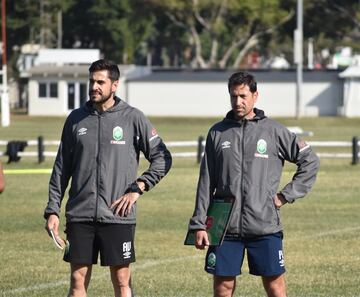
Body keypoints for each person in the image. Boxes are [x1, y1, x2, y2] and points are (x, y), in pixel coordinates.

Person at [44, 59, 172, 297]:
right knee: (76, 281)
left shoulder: (133, 118)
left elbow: (163, 158)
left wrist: (139, 187)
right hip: (80, 214)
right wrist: (53, 210)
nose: (94, 86)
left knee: (122, 282)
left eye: (100, 82)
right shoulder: (75, 119)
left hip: (118, 215)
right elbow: (61, 168)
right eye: (92, 81)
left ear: (114, 85)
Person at [187, 71, 320, 297]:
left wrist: (285, 196)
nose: (238, 102)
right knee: (223, 287)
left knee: (275, 286)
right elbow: (206, 181)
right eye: (233, 96)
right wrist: (199, 224)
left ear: (255, 96)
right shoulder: (217, 133)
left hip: (264, 225)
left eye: (243, 96)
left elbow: (310, 161)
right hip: (225, 226)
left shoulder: (274, 131)